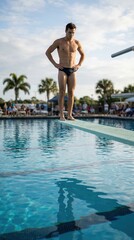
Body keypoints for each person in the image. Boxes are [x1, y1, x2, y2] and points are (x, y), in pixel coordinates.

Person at [46, 23, 85, 121]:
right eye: (69, 32)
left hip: (72, 70)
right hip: (62, 69)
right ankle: (61, 115)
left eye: (73, 33)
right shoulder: (59, 42)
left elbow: (83, 55)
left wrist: (79, 65)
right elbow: (48, 52)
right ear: (65, 31)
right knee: (62, 92)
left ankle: (70, 115)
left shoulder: (77, 43)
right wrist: (55, 64)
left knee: (71, 93)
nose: (71, 34)